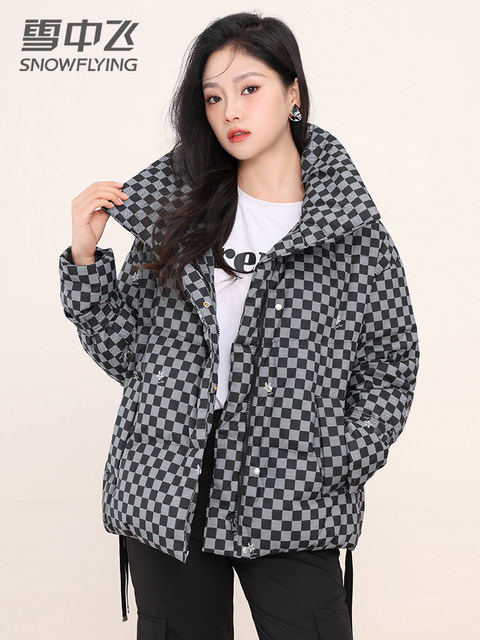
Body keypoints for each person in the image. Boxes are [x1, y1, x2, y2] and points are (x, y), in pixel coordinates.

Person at [58, 11, 420, 640]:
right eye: (213, 97)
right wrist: (86, 260)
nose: (231, 111)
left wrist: (338, 456)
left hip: (293, 484)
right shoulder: (178, 215)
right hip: (168, 481)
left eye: (249, 88)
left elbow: (391, 363)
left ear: (293, 92)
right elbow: (132, 357)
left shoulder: (350, 231)